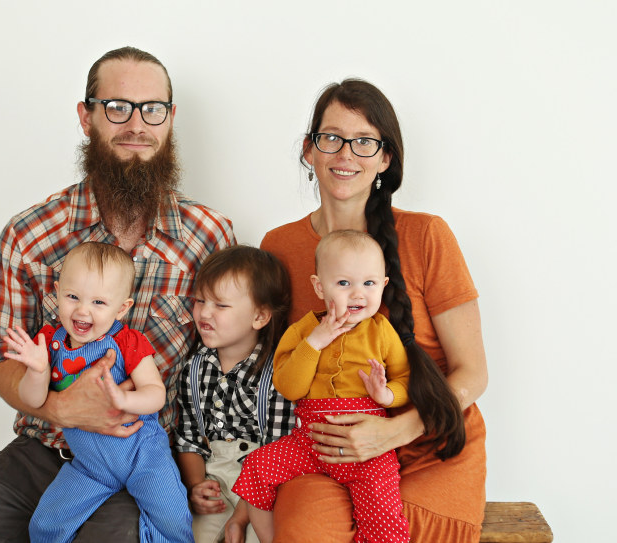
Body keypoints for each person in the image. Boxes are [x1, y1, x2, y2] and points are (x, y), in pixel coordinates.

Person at [0, 46, 235, 542]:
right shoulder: (30, 235)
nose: (136, 126)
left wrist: (204, 473)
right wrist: (59, 407)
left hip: (139, 465)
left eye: (153, 109)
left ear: (169, 120)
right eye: (117, 108)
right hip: (40, 453)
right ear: (87, 117)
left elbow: (227, 367)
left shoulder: (209, 238)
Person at [260, 79, 488, 542]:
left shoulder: (427, 235)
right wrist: (254, 494)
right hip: (327, 452)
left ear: (385, 158)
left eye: (365, 141)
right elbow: (280, 369)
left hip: (431, 448)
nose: (346, 154)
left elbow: (474, 373)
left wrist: (396, 431)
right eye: (332, 138)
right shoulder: (278, 246)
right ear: (310, 150)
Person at [3, 242, 193, 543]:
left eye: (99, 303)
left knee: (170, 515)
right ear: (57, 292)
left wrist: (123, 399)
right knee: (45, 524)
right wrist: (37, 371)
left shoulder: (128, 341)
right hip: (90, 465)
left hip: (143, 454)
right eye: (73, 296)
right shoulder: (50, 343)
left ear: (122, 308)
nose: (82, 310)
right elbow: (34, 401)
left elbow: (156, 393)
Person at [233, 231, 411, 543]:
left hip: (367, 449)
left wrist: (387, 394)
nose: (357, 294)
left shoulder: (382, 331)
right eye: (344, 283)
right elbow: (289, 387)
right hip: (310, 442)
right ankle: (268, 537)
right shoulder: (303, 330)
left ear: (383, 285)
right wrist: (314, 342)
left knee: (385, 524)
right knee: (256, 468)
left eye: (369, 284)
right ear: (319, 286)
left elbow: (406, 379)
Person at [174, 245, 295, 543]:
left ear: (259, 317)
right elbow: (188, 437)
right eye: (200, 300)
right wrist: (196, 484)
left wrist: (240, 519)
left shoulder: (278, 374)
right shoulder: (194, 367)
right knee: (188, 535)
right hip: (213, 476)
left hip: (261, 487)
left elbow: (277, 453)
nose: (204, 312)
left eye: (221, 305)